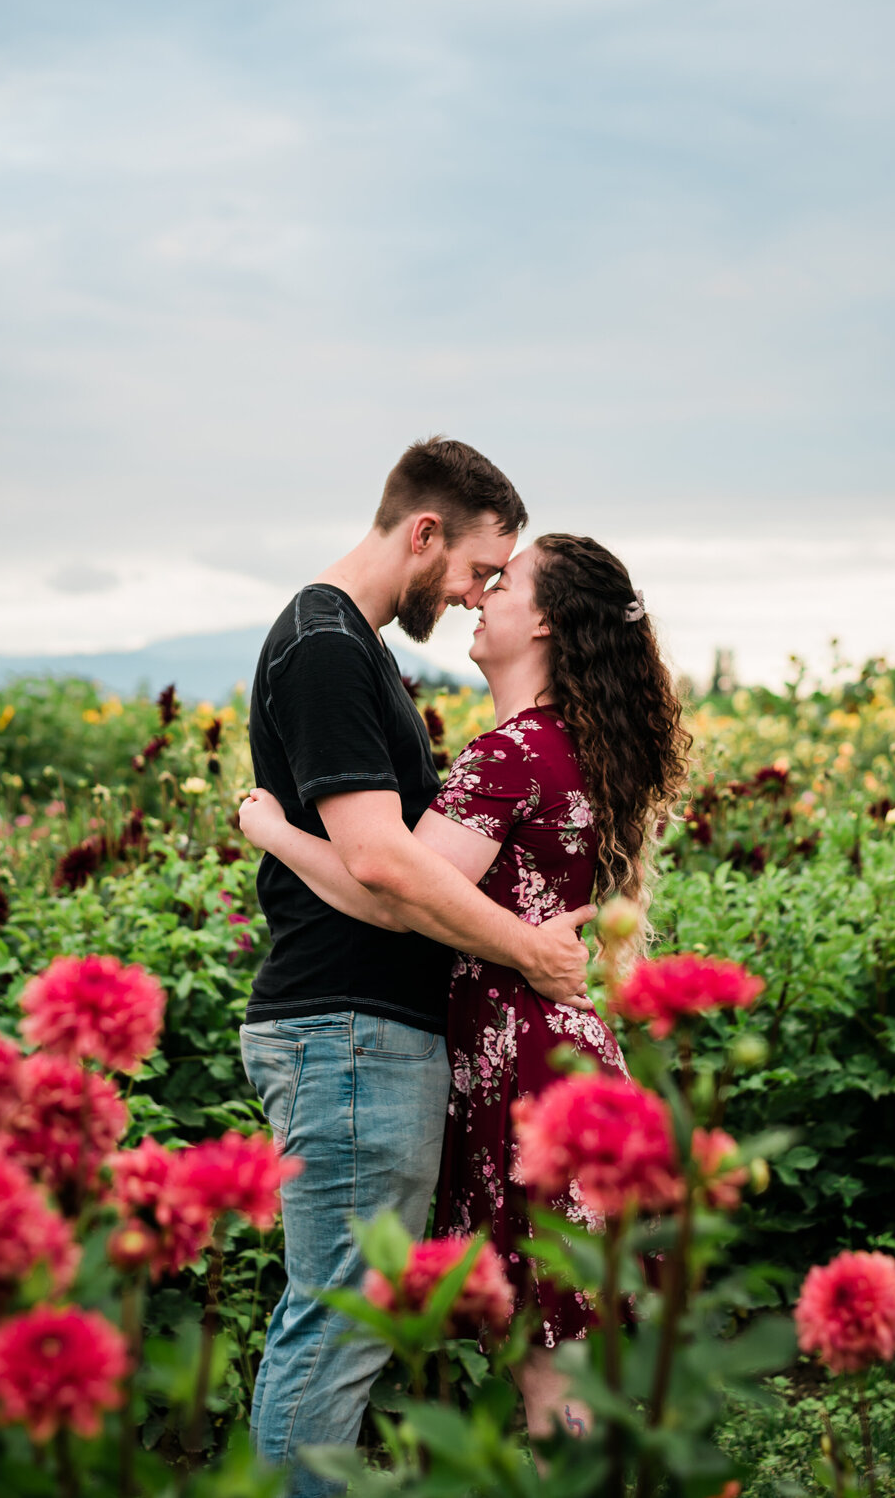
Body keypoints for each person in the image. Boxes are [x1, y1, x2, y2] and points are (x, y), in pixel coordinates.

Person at [241, 531, 690, 1444]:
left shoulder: (513, 753)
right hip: (567, 1053)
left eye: (505, 583)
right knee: (564, 1344)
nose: (482, 595)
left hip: (517, 1060)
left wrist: (274, 832)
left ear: (547, 622)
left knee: (546, 1358)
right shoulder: (577, 746)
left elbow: (392, 891)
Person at [237, 439, 595, 1493]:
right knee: (338, 1325)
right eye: (482, 567)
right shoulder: (328, 646)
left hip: (362, 1030)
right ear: (425, 530)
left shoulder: (352, 646)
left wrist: (271, 828)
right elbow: (384, 861)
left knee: (353, 1320)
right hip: (346, 1028)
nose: (481, 592)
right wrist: (529, 947)